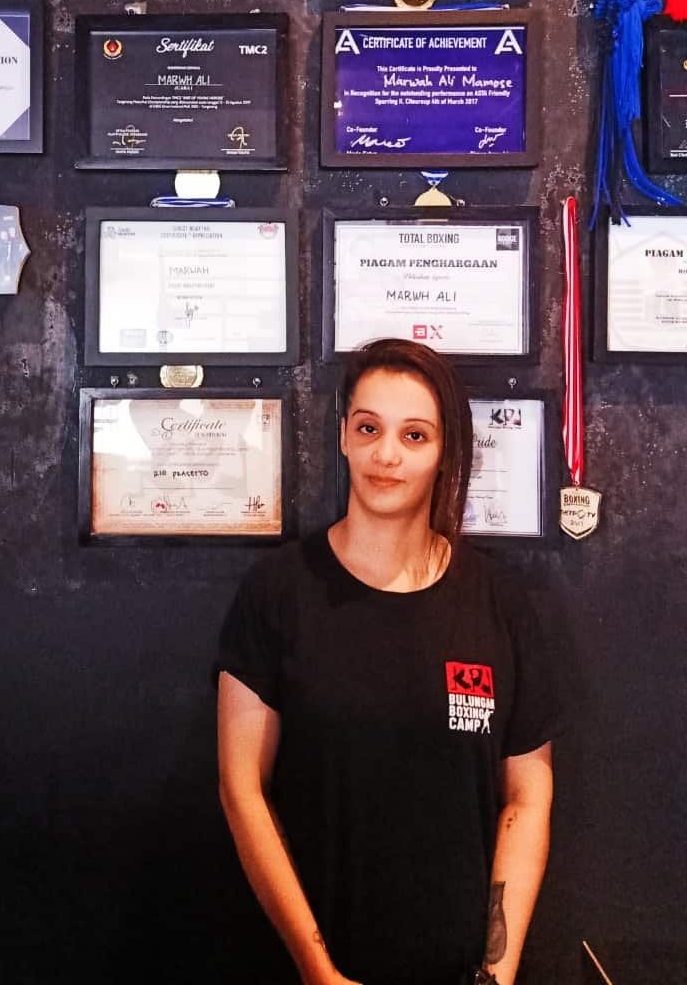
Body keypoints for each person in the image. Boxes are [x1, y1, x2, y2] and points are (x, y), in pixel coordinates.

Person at [216, 338, 563, 985]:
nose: (387, 454)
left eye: (415, 435)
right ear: (344, 436)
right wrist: (320, 970)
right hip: (308, 968)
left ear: (446, 454)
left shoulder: (499, 603)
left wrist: (496, 974)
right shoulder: (278, 591)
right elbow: (242, 789)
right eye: (369, 428)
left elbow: (528, 795)